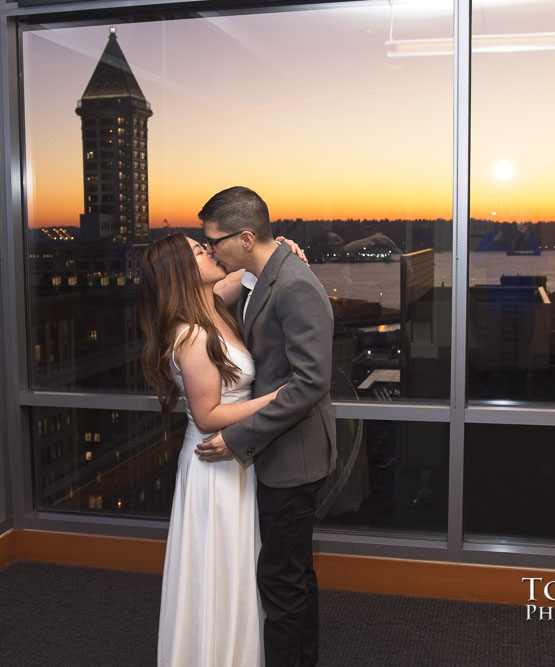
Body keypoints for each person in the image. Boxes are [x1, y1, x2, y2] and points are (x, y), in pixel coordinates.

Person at [195, 186, 336, 667]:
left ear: (246, 236)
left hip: (293, 458)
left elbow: (310, 384)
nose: (210, 249)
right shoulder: (262, 276)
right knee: (293, 576)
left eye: (214, 241)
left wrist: (237, 439)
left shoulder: (293, 284)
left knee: (281, 581)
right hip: (282, 454)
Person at [140, 233, 281, 667]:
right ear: (183, 271)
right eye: (200, 251)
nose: (210, 251)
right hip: (212, 463)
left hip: (235, 459)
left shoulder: (214, 300)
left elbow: (250, 267)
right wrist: (279, 398)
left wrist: (281, 249)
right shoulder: (192, 335)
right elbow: (207, 416)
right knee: (216, 571)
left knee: (234, 568)